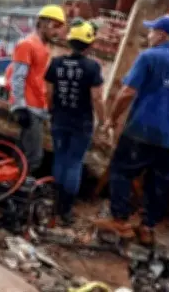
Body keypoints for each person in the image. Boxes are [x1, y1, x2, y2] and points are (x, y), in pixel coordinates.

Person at [96, 16, 169, 245]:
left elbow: (126, 92)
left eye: (152, 31)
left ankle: (121, 221)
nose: (149, 35)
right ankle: (147, 227)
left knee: (122, 171)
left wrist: (111, 119)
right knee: (158, 182)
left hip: (142, 130)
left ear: (162, 35)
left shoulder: (150, 57)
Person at [44, 21, 105, 226]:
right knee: (74, 163)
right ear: (89, 44)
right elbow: (97, 98)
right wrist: (104, 121)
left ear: (70, 41)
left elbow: (49, 92)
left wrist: (52, 111)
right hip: (82, 123)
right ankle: (66, 210)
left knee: (60, 159)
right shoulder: (92, 67)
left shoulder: (56, 63)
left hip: (59, 119)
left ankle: (55, 204)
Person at [5, 4, 66, 173]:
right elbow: (17, 77)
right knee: (33, 157)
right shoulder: (27, 45)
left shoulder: (43, 47)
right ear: (43, 23)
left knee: (23, 154)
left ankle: (11, 189)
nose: (57, 32)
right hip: (29, 108)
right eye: (55, 26)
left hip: (37, 108)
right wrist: (19, 107)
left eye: (60, 28)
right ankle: (18, 193)